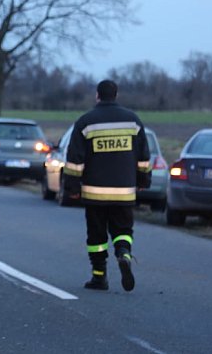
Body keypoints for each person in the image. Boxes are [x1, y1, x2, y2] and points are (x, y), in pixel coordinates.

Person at [64, 80, 151, 292]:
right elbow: (144, 157)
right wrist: (142, 181)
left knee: (96, 235)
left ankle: (99, 277)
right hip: (124, 192)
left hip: (95, 193)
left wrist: (72, 188)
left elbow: (75, 160)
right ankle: (123, 254)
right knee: (123, 230)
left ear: (97, 95)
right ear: (116, 94)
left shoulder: (86, 122)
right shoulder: (133, 121)